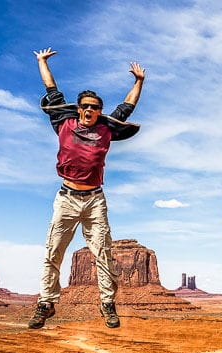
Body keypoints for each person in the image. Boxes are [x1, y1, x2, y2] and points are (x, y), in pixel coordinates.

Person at [28, 47, 145, 329]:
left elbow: (126, 108)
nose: (90, 110)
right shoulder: (63, 123)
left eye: (95, 107)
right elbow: (52, 89)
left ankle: (107, 304)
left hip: (94, 199)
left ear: (99, 111)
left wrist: (138, 82)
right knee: (53, 251)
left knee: (103, 252)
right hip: (67, 197)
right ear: (79, 109)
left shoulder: (107, 129)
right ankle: (46, 303)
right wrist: (42, 62)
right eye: (86, 106)